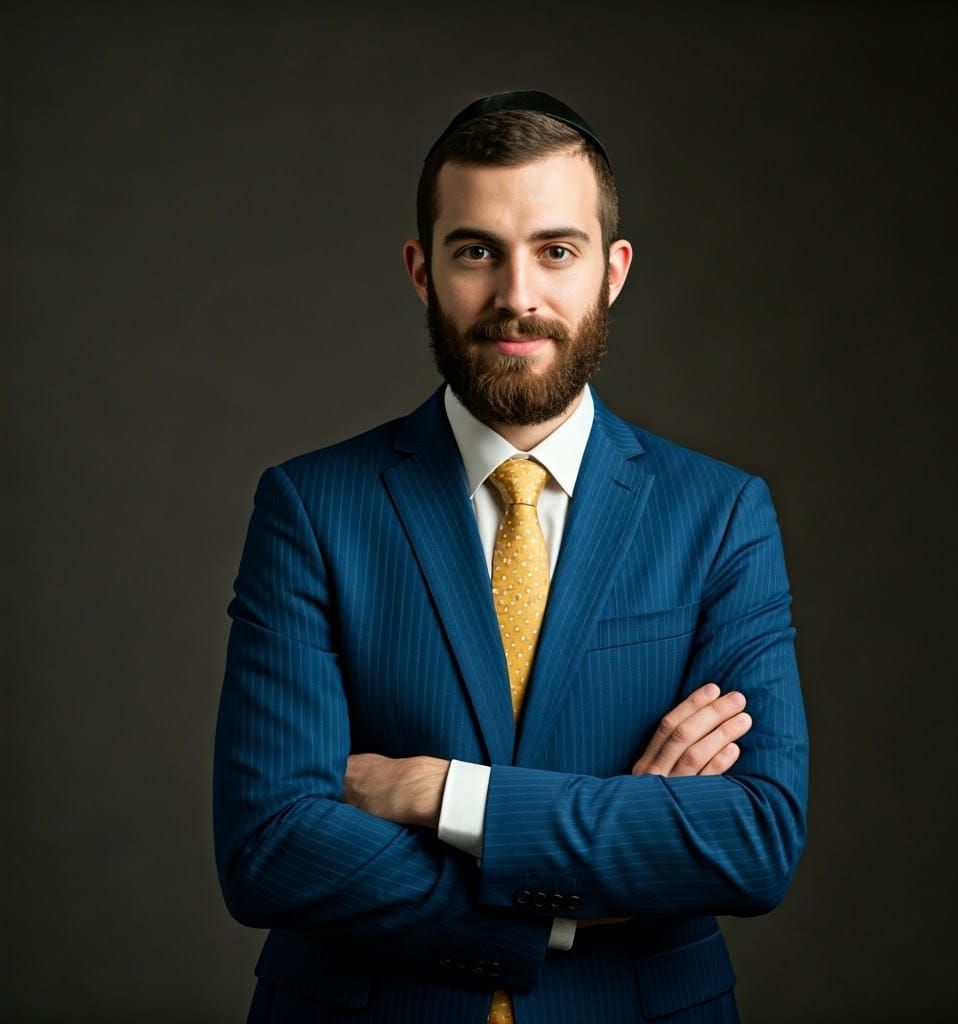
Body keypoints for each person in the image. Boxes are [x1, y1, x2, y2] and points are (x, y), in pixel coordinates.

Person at [213, 90, 809, 1024]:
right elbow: (270, 847)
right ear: (423, 271)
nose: (517, 296)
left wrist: (439, 792)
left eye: (556, 251)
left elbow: (755, 839)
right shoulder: (311, 508)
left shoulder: (721, 515)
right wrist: (574, 901)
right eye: (477, 252)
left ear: (614, 271)